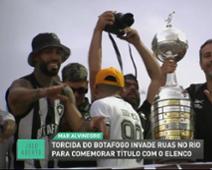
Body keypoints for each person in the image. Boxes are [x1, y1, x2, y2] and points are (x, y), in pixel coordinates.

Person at [5, 32, 106, 168]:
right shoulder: (24, 84)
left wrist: (92, 124)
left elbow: (79, 127)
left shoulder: (64, 91)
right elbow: (14, 96)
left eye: (58, 53)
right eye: (48, 52)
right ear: (36, 57)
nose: (54, 57)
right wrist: (43, 92)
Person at [88, 11, 161, 140]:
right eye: (127, 85)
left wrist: (138, 43)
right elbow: (95, 72)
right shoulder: (104, 106)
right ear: (118, 89)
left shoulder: (143, 113)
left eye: (136, 86)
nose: (133, 88)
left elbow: (158, 78)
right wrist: (98, 30)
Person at [90, 67, 143, 168]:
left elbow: (102, 139)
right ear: (122, 90)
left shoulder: (100, 104)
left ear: (96, 89)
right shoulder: (133, 111)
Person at [58, 63, 97, 167]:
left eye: (81, 90)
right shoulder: (51, 111)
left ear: (87, 85)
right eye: (71, 90)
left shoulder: (95, 110)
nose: (75, 95)